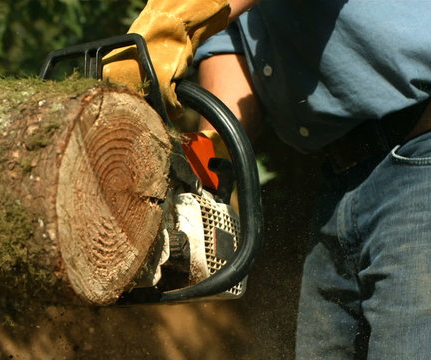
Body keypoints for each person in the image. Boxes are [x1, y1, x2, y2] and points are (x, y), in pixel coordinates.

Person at [105, 0, 431, 358]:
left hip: (420, 152)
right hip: (341, 178)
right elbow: (230, 46)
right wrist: (210, 169)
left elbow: (194, 19)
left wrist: (176, 18)